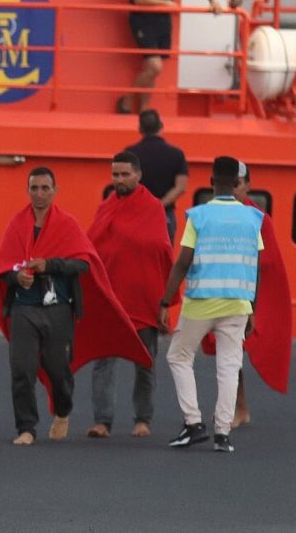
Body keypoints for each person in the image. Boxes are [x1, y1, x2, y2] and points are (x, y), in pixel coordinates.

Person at [0, 167, 148, 445]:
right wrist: (17, 277)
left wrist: (49, 265)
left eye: (45, 188)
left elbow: (84, 263)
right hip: (23, 309)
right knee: (21, 369)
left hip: (58, 309)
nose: (39, 193)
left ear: (55, 191)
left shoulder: (67, 224)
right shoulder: (16, 224)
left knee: (58, 370)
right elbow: (2, 267)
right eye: (34, 188)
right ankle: (26, 428)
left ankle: (62, 411)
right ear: (27, 191)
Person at [160, 156, 263, 454]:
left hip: (202, 302)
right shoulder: (252, 218)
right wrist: (252, 307)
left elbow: (182, 262)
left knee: (179, 356)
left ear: (211, 182)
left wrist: (165, 301)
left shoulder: (199, 216)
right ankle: (222, 434)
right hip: (238, 304)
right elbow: (253, 265)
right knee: (230, 367)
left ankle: (193, 424)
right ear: (237, 183)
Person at [86, 152, 173, 438]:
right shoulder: (105, 208)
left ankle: (143, 420)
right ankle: (103, 421)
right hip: (110, 299)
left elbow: (162, 252)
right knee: (103, 362)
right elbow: (91, 248)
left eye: (125, 174)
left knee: (145, 363)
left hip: (143, 299)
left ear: (138, 175)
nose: (119, 180)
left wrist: (164, 303)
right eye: (115, 174)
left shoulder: (154, 209)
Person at [217, 166, 293, 426]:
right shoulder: (215, 214)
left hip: (245, 293)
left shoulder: (259, 219)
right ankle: (235, 407)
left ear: (248, 185)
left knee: (231, 350)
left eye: (237, 184)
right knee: (225, 352)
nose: (232, 190)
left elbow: (269, 263)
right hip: (220, 290)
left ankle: (238, 408)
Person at [119, 0, 223, 114]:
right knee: (154, 66)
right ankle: (127, 101)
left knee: (151, 69)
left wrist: (212, 0)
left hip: (163, 22)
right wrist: (166, 3)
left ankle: (143, 109)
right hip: (142, 21)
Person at [125, 109, 189, 240]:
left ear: (140, 128)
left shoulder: (130, 153)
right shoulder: (176, 154)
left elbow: (126, 183)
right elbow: (181, 187)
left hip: (136, 214)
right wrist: (159, 204)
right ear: (161, 126)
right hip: (165, 215)